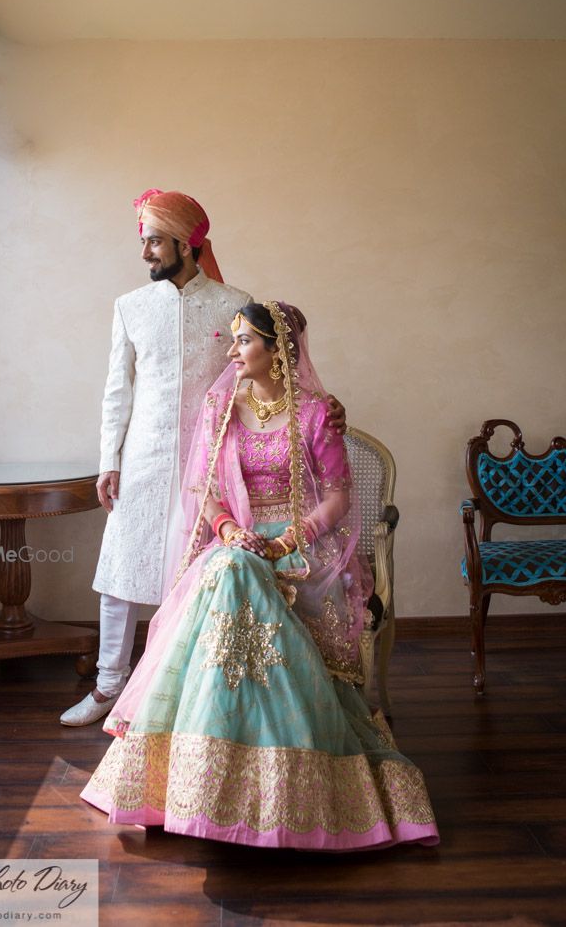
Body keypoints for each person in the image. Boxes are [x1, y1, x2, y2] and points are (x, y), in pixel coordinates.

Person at [80, 302, 439, 851]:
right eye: (234, 339)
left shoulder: (317, 413)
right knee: (229, 568)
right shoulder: (222, 405)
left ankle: (253, 779)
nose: (231, 351)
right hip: (237, 542)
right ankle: (206, 776)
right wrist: (227, 532)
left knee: (232, 574)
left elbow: (340, 497)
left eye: (244, 340)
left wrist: (286, 540)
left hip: (302, 549)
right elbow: (205, 491)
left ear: (280, 350)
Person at [61, 193, 345, 725]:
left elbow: (267, 370)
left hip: (218, 463)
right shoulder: (130, 306)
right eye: (143, 240)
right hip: (143, 455)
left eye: (153, 240)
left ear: (186, 242)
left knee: (193, 573)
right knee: (122, 570)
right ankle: (107, 686)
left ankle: (173, 692)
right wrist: (109, 461)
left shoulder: (232, 301)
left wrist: (325, 407)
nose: (145, 251)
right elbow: (116, 391)